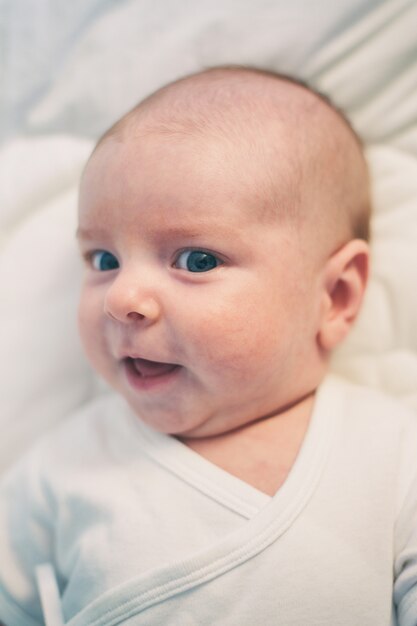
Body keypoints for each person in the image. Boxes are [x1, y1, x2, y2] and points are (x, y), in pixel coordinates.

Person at [0, 66, 416, 626]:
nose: (120, 297)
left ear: (335, 296)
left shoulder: (394, 455)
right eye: (103, 260)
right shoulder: (59, 470)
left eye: (196, 260)